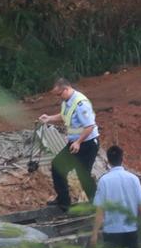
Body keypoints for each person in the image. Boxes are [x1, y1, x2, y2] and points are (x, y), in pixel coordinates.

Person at [38, 78, 100, 211]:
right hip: (74, 143)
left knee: (83, 174)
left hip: (87, 143)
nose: (58, 97)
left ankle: (96, 203)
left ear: (66, 89)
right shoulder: (67, 101)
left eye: (59, 94)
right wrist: (49, 118)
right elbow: (65, 115)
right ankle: (64, 201)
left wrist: (78, 142)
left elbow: (90, 126)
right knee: (57, 166)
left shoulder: (81, 103)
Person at [90, 145, 141, 248]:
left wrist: (94, 234)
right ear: (122, 159)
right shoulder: (133, 179)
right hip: (131, 232)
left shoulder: (103, 181)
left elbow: (100, 211)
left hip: (111, 233)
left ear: (108, 161)